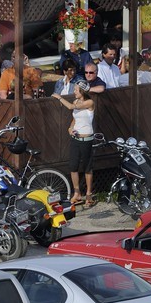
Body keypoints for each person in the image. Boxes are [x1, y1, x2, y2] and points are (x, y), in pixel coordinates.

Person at [56, 69, 98, 205]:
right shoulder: (76, 102)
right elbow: (75, 117)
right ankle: (77, 193)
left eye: (76, 89)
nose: (74, 91)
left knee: (87, 167)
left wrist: (59, 97)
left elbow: (70, 107)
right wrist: (70, 128)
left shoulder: (89, 103)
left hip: (87, 139)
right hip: (76, 139)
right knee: (73, 166)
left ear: (82, 92)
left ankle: (89, 194)